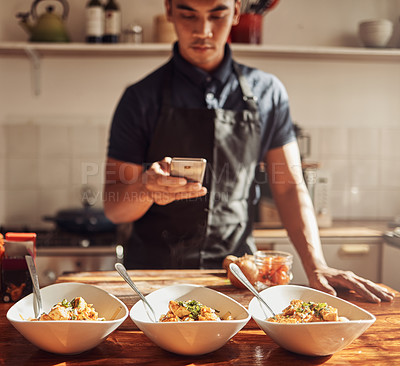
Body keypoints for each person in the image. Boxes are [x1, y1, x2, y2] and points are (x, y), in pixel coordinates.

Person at [104, 0, 394, 303]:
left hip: (240, 278)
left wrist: (315, 264)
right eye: (188, 14)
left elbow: (289, 187)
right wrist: (146, 188)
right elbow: (114, 208)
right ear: (169, 10)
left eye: (217, 14)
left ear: (237, 11)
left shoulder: (268, 93)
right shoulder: (138, 99)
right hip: (154, 280)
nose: (203, 31)